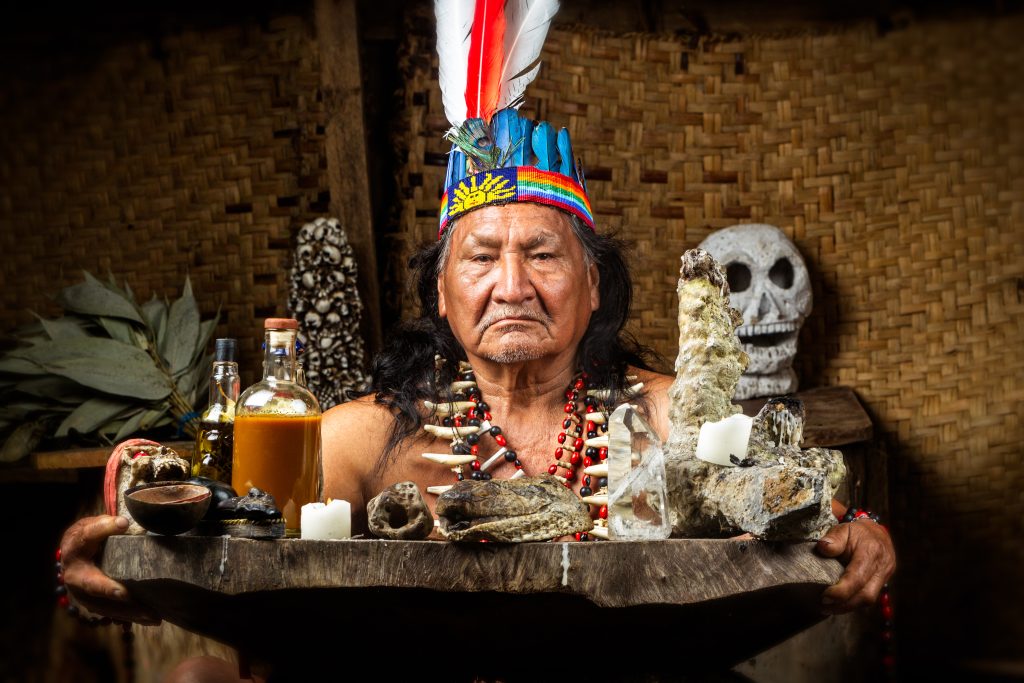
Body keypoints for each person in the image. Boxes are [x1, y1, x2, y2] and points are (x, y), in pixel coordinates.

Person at [58, 4, 895, 679]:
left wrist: (854, 527)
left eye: (542, 255)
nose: (512, 284)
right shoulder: (365, 436)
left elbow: (780, 498)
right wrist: (123, 524)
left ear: (593, 285)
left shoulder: (668, 413)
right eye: (483, 257)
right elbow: (231, 517)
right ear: (441, 294)